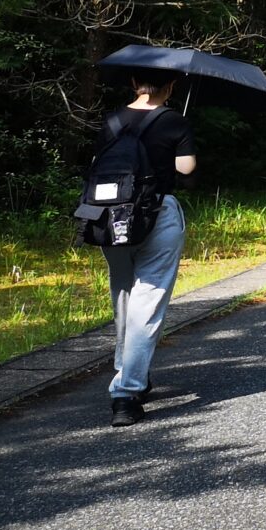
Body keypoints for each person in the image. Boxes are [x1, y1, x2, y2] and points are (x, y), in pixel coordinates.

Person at [97, 70, 196, 426]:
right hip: (157, 211)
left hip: (109, 216)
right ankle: (126, 392)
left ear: (133, 82)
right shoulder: (173, 120)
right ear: (170, 87)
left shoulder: (111, 119)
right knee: (149, 298)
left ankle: (129, 373)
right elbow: (186, 167)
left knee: (124, 295)